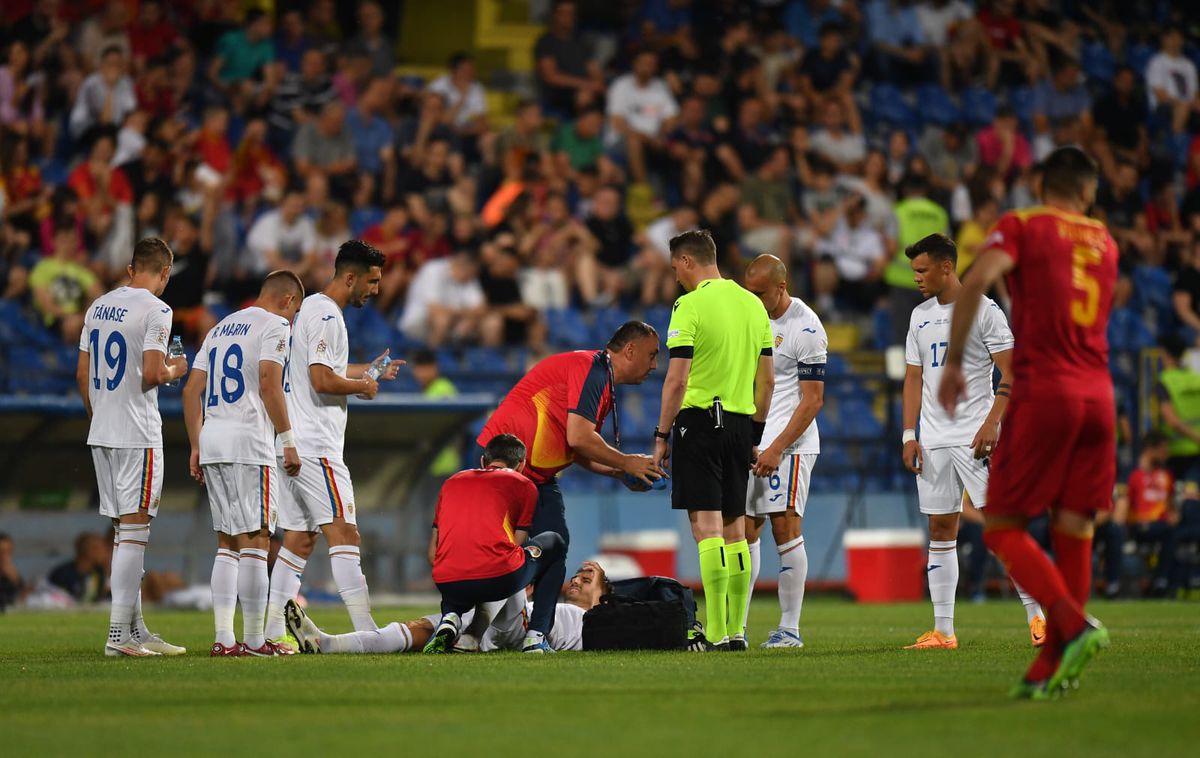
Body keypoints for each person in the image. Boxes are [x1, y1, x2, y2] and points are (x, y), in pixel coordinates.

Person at [938, 146, 1117, 698]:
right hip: (1101, 396)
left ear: (1042, 184)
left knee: (1002, 526)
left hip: (1047, 392)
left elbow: (978, 278)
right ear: (1088, 190)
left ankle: (1072, 624)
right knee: (1076, 528)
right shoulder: (1106, 241)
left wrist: (953, 363)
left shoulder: (1024, 225)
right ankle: (1054, 670)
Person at [899, 233, 1043, 650]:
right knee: (941, 529)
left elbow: (1012, 373)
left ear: (947, 267)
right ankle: (944, 631)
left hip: (976, 438)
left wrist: (993, 423)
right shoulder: (919, 316)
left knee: (1002, 529)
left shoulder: (984, 311)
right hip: (934, 440)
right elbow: (914, 378)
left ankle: (1039, 617)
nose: (916, 278)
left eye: (922, 270)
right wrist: (910, 434)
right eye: (914, 271)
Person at [262, 241, 401, 650]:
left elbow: (322, 371)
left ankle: (271, 633)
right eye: (372, 282)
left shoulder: (310, 312)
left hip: (292, 444)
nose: (375, 291)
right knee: (345, 533)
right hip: (316, 446)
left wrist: (371, 371)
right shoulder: (325, 314)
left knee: (299, 540)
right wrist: (363, 385)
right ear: (350, 276)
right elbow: (323, 379)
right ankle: (367, 630)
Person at [654, 229, 775, 652]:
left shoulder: (689, 305)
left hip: (699, 422)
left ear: (688, 262)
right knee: (735, 530)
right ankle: (738, 631)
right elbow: (768, 380)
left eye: (675, 269)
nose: (676, 278)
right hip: (742, 425)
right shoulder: (752, 305)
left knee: (706, 530)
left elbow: (677, 378)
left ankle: (719, 632)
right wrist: (756, 435)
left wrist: (662, 434)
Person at [75, 237, 188, 656]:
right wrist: (178, 368)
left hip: (102, 431)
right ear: (164, 273)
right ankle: (118, 636)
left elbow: (82, 373)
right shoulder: (158, 310)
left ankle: (136, 630)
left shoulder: (98, 306)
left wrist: (98, 415)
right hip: (137, 433)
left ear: (129, 270)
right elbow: (155, 373)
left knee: (124, 533)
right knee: (135, 533)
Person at [182, 271, 305, 657]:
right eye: (295, 311)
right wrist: (287, 440)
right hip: (249, 441)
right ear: (287, 301)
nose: (293, 319)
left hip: (213, 437)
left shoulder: (219, 328)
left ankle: (223, 639)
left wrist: (195, 444)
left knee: (227, 543)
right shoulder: (274, 326)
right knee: (257, 539)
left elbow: (190, 390)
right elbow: (269, 384)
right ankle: (254, 641)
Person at [740, 254, 827, 648]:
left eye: (761, 293)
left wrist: (776, 447)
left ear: (781, 284)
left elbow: (812, 400)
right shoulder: (750, 318)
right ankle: (735, 628)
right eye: (749, 293)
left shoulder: (805, 327)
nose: (755, 300)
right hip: (754, 441)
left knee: (785, 528)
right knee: (744, 531)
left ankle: (790, 629)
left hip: (788, 447)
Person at [423, 434, 568, 654]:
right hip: (499, 578)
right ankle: (536, 637)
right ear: (521, 465)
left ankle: (451, 617)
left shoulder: (452, 481)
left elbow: (433, 552)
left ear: (483, 461)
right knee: (555, 543)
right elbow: (515, 545)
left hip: (448, 584)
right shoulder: (524, 484)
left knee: (458, 555)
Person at [285, 560, 612, 655]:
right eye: (579, 574)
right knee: (419, 630)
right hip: (504, 625)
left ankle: (469, 632)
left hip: (519, 627)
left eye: (589, 576)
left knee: (506, 566)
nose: (579, 579)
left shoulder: (597, 621)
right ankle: (326, 643)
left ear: (604, 593)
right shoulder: (554, 606)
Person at [1098, 431, 1180, 598]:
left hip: (1161, 525)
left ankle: (1161, 582)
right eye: (1163, 450)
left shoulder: (1166, 475)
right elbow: (1122, 501)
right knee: (1115, 531)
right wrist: (1119, 523)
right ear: (1150, 449)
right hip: (1137, 525)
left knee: (1175, 531)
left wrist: (1174, 514)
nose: (1167, 454)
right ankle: (1113, 585)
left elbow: (1171, 504)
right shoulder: (1131, 472)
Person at [1155, 335, 1200, 488]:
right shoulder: (1196, 377)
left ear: (1165, 353)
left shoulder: (1164, 381)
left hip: (1177, 453)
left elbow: (1172, 421)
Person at [46, 533, 109, 604]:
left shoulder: (99, 573)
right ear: (87, 550)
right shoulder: (62, 574)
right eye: (98, 548)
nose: (104, 552)